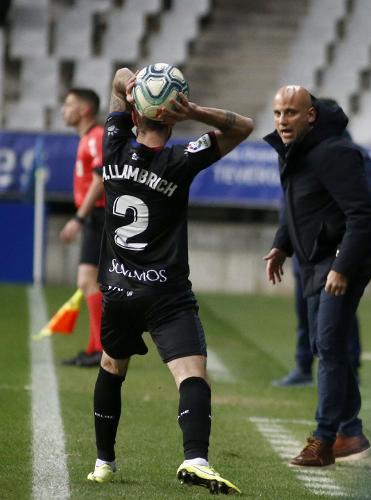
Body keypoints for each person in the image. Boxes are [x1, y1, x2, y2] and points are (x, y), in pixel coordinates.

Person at [86, 66, 253, 493]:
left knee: (111, 367)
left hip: (119, 288)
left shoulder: (113, 143)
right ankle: (195, 458)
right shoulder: (181, 159)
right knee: (191, 374)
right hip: (166, 293)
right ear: (173, 117)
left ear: (135, 116)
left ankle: (104, 463)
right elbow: (244, 127)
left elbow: (120, 77)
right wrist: (194, 110)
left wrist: (136, 87)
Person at [263, 86, 371, 466]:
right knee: (325, 345)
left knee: (329, 345)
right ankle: (351, 431)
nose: (283, 120)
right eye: (279, 113)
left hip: (341, 260)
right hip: (315, 259)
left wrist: (342, 267)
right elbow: (299, 209)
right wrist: (282, 244)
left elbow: (361, 217)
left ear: (310, 115)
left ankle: (325, 440)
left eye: (291, 113)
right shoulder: (294, 153)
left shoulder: (335, 152)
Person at [272, 98, 371, 387]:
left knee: (338, 317)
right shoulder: (297, 153)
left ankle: (349, 372)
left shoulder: (345, 152)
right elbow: (292, 204)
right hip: (303, 251)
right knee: (306, 312)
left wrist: (337, 220)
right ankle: (303, 366)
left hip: (332, 251)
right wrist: (283, 241)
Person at [59, 88, 105, 367]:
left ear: (85, 109)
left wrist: (79, 217)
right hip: (94, 216)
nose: (64, 110)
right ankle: (93, 348)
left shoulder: (96, 137)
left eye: (69, 104)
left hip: (99, 215)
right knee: (90, 282)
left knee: (89, 281)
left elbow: (100, 178)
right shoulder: (87, 138)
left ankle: (99, 349)